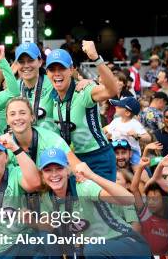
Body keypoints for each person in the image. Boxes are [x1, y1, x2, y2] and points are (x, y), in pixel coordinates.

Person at [46, 43, 119, 181]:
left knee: (101, 202)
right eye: (52, 69)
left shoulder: (83, 91)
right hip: (74, 159)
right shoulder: (53, 97)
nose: (57, 73)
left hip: (98, 158)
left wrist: (96, 59)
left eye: (62, 68)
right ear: (47, 73)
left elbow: (112, 90)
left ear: (71, 69)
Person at [104, 96, 151, 166]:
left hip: (132, 152)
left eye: (119, 107)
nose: (116, 107)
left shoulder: (135, 124)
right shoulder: (115, 121)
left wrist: (137, 135)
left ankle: (145, 175)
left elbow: (148, 138)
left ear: (127, 113)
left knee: (137, 167)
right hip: (116, 151)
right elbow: (108, 134)